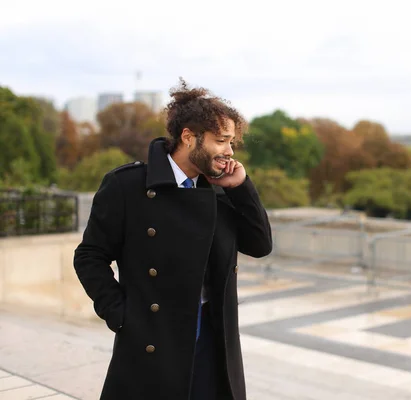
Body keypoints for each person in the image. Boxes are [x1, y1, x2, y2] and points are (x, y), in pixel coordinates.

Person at [73, 79, 272, 400]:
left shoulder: (219, 187)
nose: (230, 151)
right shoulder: (128, 186)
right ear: (189, 137)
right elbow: (89, 256)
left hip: (211, 338)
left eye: (232, 142)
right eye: (222, 140)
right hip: (152, 339)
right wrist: (122, 315)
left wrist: (242, 188)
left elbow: (260, 245)